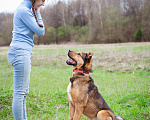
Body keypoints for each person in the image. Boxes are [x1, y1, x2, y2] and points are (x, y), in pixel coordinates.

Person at [7, 0, 45, 119]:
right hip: (20, 52)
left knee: (23, 93)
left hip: (20, 52)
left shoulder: (24, 9)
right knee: (19, 93)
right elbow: (40, 31)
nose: (43, 4)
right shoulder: (24, 11)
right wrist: (38, 12)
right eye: (42, 0)